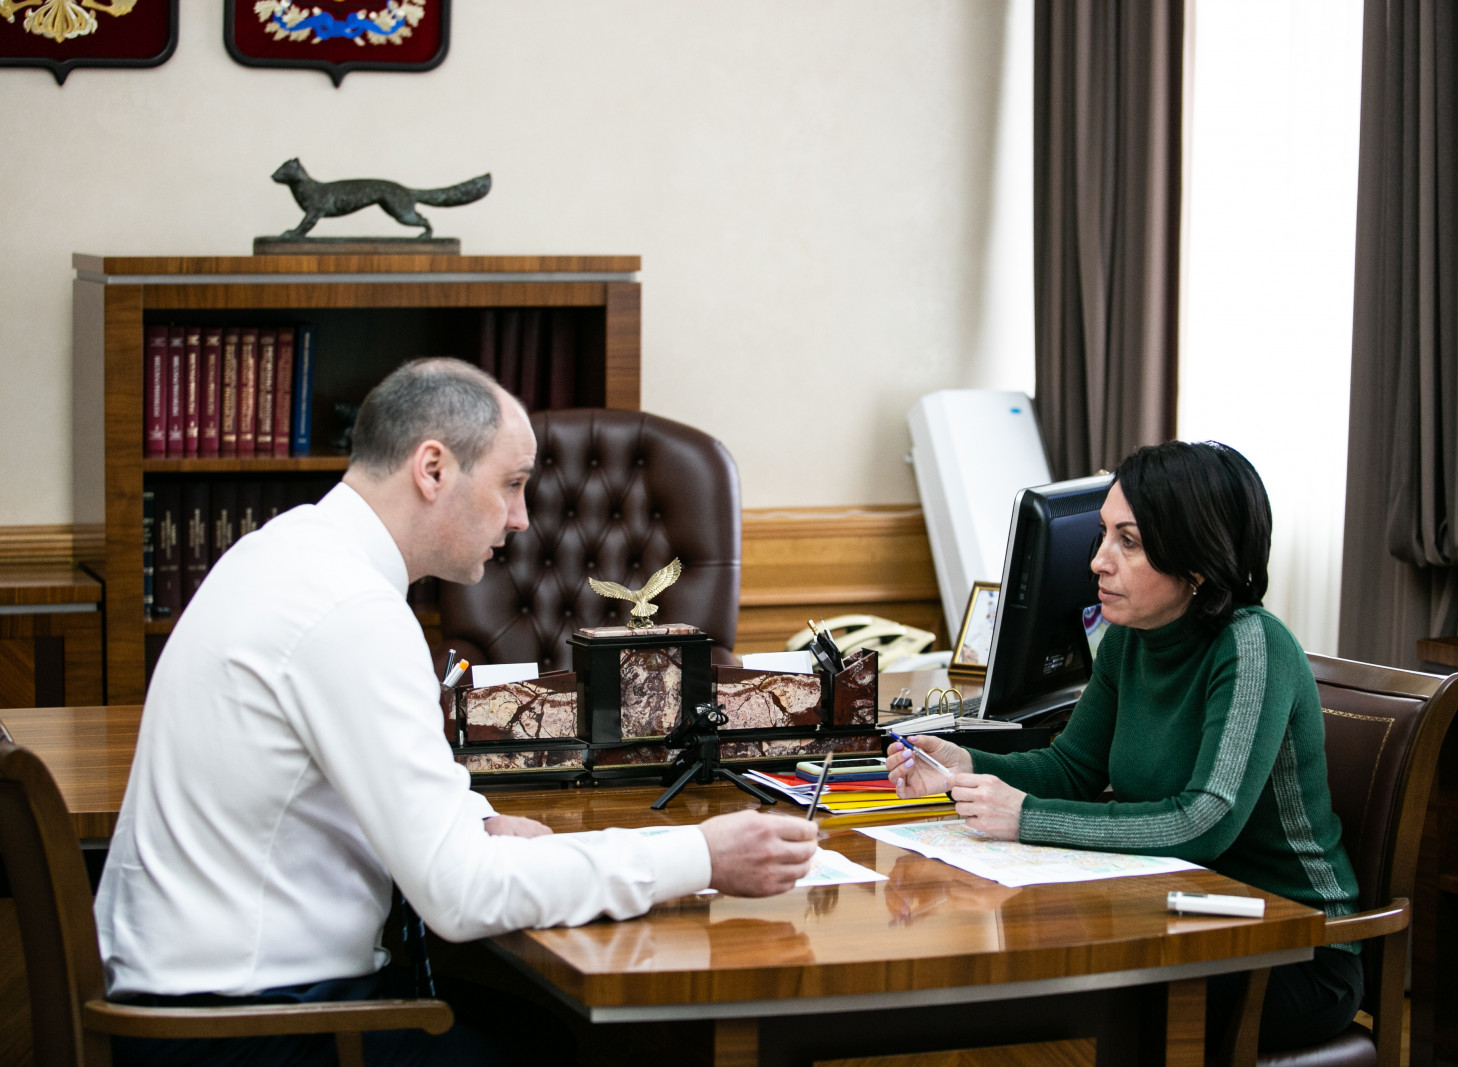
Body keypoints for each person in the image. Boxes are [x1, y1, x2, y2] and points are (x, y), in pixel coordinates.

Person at [96, 358, 817, 1065]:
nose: (522, 519)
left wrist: (474, 819)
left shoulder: (287, 553)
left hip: (195, 1000)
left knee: (545, 1032)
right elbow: (461, 895)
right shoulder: (351, 611)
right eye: (512, 484)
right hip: (245, 1028)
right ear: (433, 469)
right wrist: (702, 855)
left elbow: (369, 771)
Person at [887, 441, 1362, 1053]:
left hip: (1288, 946)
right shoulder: (1128, 639)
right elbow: (1072, 767)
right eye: (1103, 535)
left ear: (1196, 563)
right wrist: (965, 766)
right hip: (1177, 915)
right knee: (1021, 989)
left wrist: (1026, 817)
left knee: (1063, 1006)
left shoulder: (1253, 646)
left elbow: (1204, 821)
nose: (1098, 561)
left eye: (1128, 542)